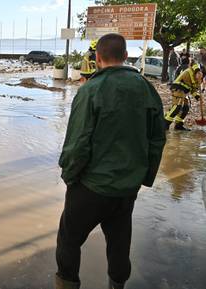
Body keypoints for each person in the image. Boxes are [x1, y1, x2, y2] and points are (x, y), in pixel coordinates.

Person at [56, 33, 166, 289]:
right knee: (119, 243)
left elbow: (77, 143)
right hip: (127, 188)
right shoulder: (146, 89)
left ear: (97, 58)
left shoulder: (91, 90)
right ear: (126, 57)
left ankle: (67, 284)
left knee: (69, 241)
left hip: (90, 186)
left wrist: (69, 176)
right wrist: (142, 178)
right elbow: (157, 140)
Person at [164, 63, 203, 131]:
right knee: (177, 107)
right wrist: (196, 82)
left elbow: (192, 89)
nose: (200, 78)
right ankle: (165, 124)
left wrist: (198, 97)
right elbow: (191, 86)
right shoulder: (188, 73)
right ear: (198, 72)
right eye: (199, 75)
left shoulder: (197, 76)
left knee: (186, 108)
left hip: (184, 92)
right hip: (178, 89)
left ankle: (178, 125)